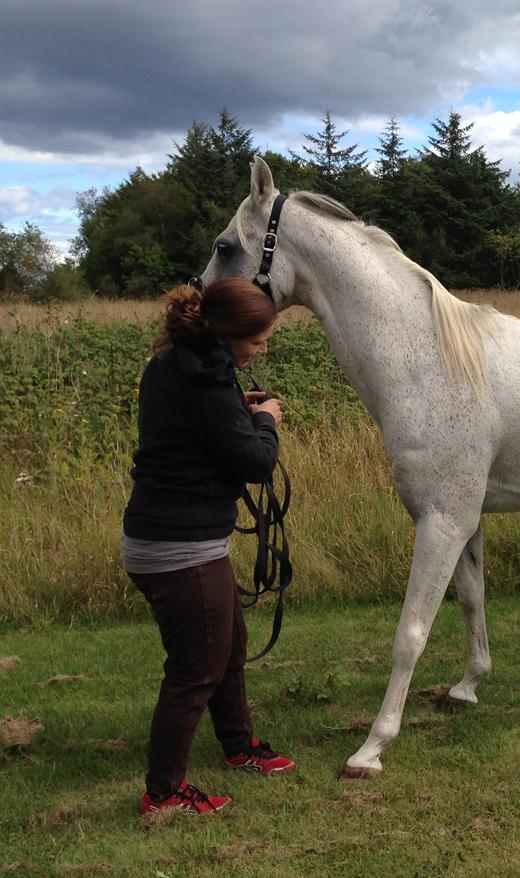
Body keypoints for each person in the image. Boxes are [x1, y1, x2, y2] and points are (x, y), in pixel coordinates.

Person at [123, 278, 295, 816]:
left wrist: (236, 412)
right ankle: (165, 793)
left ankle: (238, 747)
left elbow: (199, 427)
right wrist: (265, 423)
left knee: (228, 650)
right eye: (259, 341)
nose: (263, 349)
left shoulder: (175, 362)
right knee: (196, 670)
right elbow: (255, 462)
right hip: (181, 551)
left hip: (173, 539)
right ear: (226, 333)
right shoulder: (208, 383)